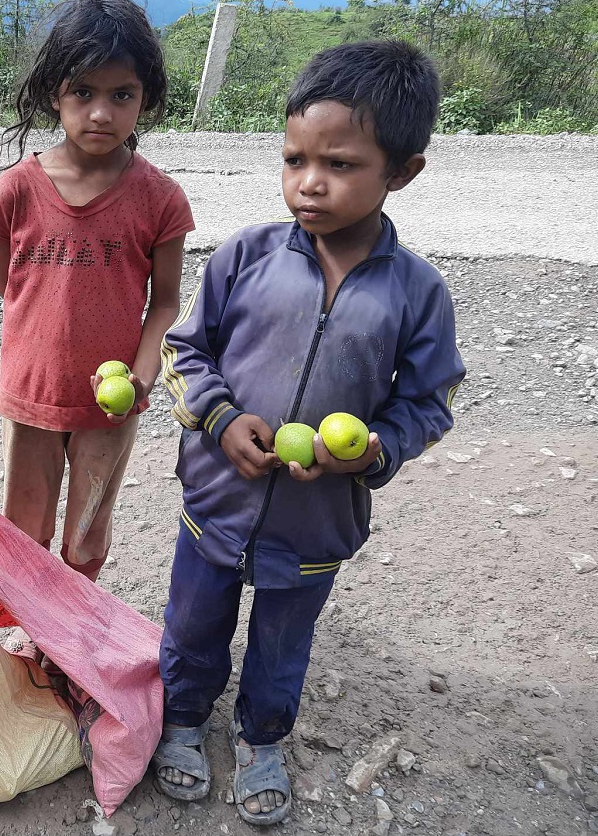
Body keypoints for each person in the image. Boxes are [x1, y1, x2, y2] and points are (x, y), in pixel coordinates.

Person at [152, 40, 466, 826]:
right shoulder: (245, 256)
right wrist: (220, 418)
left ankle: (262, 736)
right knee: (193, 625)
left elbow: (429, 402)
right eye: (294, 159)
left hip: (318, 520)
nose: (309, 182)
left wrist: (371, 449)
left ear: (403, 171)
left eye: (340, 163)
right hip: (217, 500)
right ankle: (183, 720)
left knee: (283, 641)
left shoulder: (417, 292)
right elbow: (183, 351)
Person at [0, 0, 194, 588]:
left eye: (122, 94)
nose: (102, 112)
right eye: (84, 92)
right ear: (54, 95)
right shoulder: (16, 189)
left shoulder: (160, 198)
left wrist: (142, 374)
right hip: (34, 391)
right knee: (27, 523)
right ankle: (28, 629)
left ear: (145, 100)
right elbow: (8, 284)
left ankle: (73, 640)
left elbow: (167, 301)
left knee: (88, 529)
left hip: (112, 401)